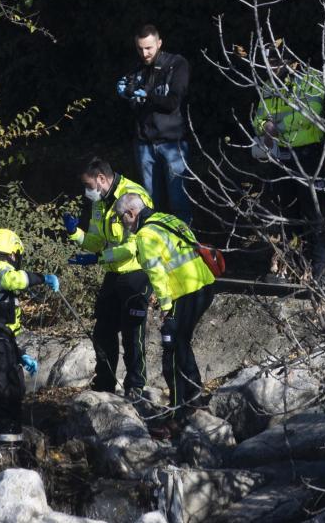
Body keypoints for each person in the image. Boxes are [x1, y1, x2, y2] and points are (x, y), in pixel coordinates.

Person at [114, 193, 215, 436]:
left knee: (171, 352)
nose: (122, 224)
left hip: (185, 292)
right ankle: (194, 396)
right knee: (182, 343)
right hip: (205, 285)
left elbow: (157, 274)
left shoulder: (145, 236)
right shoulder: (168, 219)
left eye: (121, 218)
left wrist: (166, 307)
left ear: (131, 214)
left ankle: (177, 416)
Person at [64, 157, 153, 397]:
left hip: (136, 271)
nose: (87, 191)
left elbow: (136, 246)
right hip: (113, 272)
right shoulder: (99, 203)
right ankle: (105, 382)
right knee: (103, 330)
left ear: (102, 179)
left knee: (133, 333)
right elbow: (96, 242)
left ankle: (135, 386)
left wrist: (99, 258)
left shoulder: (133, 197)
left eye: (89, 186)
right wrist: (75, 234)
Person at [0, 228, 59, 444]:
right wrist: (42, 278)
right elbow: (12, 280)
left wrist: (19, 354)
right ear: (13, 253)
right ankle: (10, 450)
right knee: (8, 398)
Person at [251, 47, 325, 282]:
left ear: (289, 60)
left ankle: (319, 272)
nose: (271, 68)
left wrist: (277, 127)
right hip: (281, 155)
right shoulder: (269, 85)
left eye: (275, 62)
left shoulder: (311, 80)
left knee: (314, 214)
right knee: (286, 214)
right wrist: (265, 127)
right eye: (268, 64)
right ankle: (291, 269)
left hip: (307, 155)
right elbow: (258, 118)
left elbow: (310, 114)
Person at [117, 24, 192, 224]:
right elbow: (135, 107)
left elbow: (173, 101)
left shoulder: (176, 64)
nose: (145, 53)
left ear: (159, 43)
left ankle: (184, 246)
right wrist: (128, 94)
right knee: (150, 203)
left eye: (149, 48)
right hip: (145, 144)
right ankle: (156, 244)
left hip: (172, 143)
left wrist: (147, 95)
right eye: (140, 48)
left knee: (179, 202)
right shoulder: (137, 70)